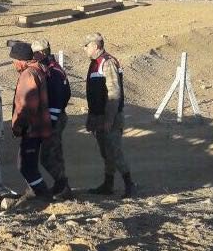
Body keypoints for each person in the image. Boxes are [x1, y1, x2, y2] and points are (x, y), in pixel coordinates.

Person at [84, 32, 136, 198]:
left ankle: (129, 184)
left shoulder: (107, 63)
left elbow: (114, 93)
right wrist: (91, 119)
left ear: (96, 46)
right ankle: (108, 184)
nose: (84, 48)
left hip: (110, 118)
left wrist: (109, 119)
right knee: (106, 153)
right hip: (99, 117)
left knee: (115, 152)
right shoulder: (95, 63)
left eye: (87, 45)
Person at [10, 41, 52, 200]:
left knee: (25, 166)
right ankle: (38, 193)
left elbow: (28, 105)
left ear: (20, 60)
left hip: (32, 129)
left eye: (14, 60)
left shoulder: (29, 74)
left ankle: (42, 194)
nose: (13, 64)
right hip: (39, 127)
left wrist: (19, 126)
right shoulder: (38, 70)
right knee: (30, 165)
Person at [31, 38, 73, 200]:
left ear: (41, 52)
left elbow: (59, 96)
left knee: (48, 156)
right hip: (54, 117)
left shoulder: (53, 71)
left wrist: (51, 120)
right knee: (55, 154)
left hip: (53, 118)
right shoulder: (52, 68)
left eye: (34, 52)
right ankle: (62, 186)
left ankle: (62, 185)